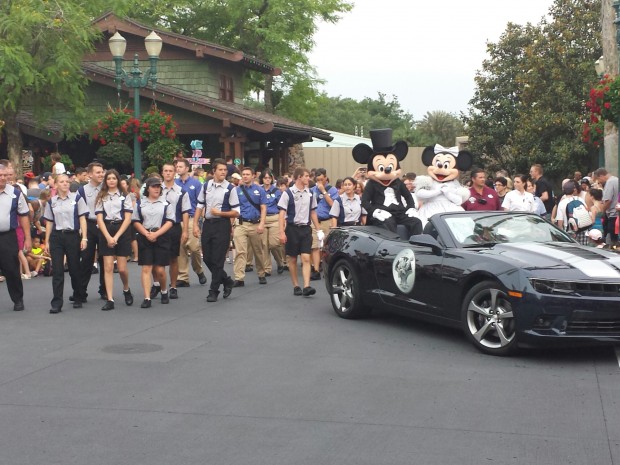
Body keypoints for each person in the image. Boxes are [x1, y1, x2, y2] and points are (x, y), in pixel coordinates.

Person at [193, 158, 240, 302]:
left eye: (225, 170)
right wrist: (195, 224)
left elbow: (236, 211)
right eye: (220, 170)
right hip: (208, 224)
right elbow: (200, 205)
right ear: (214, 171)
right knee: (207, 257)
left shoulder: (230, 188)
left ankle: (213, 291)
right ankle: (226, 280)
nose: (223, 172)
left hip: (222, 224)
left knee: (218, 259)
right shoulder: (206, 185)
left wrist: (220, 213)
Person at [43, 173, 88, 313]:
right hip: (57, 236)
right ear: (55, 185)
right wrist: (47, 241)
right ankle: (56, 302)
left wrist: (84, 237)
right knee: (57, 270)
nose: (65, 184)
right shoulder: (52, 201)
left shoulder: (77, 198)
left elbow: (82, 219)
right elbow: (49, 222)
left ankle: (78, 295)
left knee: (74, 268)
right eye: (61, 182)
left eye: (67, 182)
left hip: (72, 235)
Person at [278, 167, 322, 297]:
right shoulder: (288, 193)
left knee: (306, 257)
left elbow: (313, 212)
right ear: (299, 177)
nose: (308, 178)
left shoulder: (310, 194)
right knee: (292, 258)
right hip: (292, 228)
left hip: (305, 229)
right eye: (306, 176)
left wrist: (318, 229)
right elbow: (282, 213)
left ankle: (307, 286)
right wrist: (281, 232)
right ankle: (296, 285)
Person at [132, 177, 176, 308]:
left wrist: (157, 234)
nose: (156, 188)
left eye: (158, 186)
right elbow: (136, 220)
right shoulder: (141, 204)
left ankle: (163, 291)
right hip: (145, 236)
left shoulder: (166, 204)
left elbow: (170, 221)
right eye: (153, 186)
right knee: (146, 268)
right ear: (148, 189)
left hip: (161, 236)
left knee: (160, 269)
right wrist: (146, 233)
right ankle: (147, 297)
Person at [95, 169, 134, 311]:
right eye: (109, 178)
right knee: (108, 266)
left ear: (118, 180)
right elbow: (99, 218)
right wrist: (107, 237)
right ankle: (110, 298)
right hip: (106, 229)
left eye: (114, 178)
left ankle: (126, 288)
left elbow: (128, 218)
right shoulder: (101, 196)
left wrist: (116, 237)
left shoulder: (125, 196)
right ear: (105, 181)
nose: (111, 181)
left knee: (122, 269)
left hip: (122, 230)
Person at [0, 163, 31, 311]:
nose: (3, 178)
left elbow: (24, 216)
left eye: (5, 175)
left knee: (12, 269)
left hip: (8, 236)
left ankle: (18, 299)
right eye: (0, 176)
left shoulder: (15, 193)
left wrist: (28, 238)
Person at [159, 163, 191, 300]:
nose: (168, 173)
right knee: (157, 260)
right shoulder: (155, 189)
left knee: (173, 258)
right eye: (165, 171)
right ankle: (158, 285)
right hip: (158, 227)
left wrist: (185, 231)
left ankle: (173, 286)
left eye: (170, 171)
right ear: (162, 173)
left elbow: (185, 212)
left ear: (174, 173)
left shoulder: (181, 191)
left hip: (174, 227)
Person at [232, 167, 267, 287]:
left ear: (253, 176)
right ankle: (239, 277)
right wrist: (231, 225)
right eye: (243, 174)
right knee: (240, 251)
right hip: (241, 223)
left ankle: (261, 273)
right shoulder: (236, 190)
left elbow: (263, 207)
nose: (245, 176)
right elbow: (233, 208)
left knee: (258, 251)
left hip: (255, 224)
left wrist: (262, 223)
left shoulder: (259, 190)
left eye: (248, 174)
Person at [76, 162, 106, 303]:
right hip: (89, 224)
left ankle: (105, 290)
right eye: (98, 172)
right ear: (90, 174)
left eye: (102, 172)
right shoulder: (82, 190)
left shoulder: (107, 188)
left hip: (105, 225)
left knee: (105, 259)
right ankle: (81, 292)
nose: (101, 174)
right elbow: (79, 210)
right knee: (87, 259)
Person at [175, 159, 207, 287]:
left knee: (194, 248)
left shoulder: (196, 183)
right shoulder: (174, 184)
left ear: (187, 168)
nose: (178, 168)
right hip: (178, 219)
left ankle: (199, 270)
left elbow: (201, 203)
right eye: (177, 166)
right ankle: (183, 277)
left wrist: (200, 221)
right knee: (181, 249)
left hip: (192, 218)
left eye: (180, 166)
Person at [310, 168, 338, 280]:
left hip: (327, 220)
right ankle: (316, 270)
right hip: (315, 221)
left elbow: (333, 204)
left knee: (326, 246)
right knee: (315, 246)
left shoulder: (332, 190)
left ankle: (327, 268)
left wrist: (323, 191)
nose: (320, 182)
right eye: (318, 180)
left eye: (322, 179)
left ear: (326, 178)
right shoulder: (312, 190)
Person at [259, 169, 286, 276]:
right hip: (263, 219)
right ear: (262, 179)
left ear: (271, 179)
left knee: (274, 244)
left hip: (274, 218)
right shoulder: (259, 190)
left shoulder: (276, 191)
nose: (267, 180)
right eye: (265, 178)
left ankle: (280, 262)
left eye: (269, 178)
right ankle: (267, 268)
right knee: (264, 245)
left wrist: (283, 221)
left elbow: (282, 207)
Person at [556, 181, 589, 245]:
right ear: (574, 190)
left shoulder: (562, 203)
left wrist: (561, 233)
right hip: (583, 229)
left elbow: (560, 221)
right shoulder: (580, 199)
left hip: (569, 231)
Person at [592, 168, 619, 247]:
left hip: (612, 214)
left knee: (612, 238)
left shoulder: (609, 182)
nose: (599, 182)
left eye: (598, 179)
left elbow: (608, 200)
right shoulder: (616, 179)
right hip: (617, 213)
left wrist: (603, 210)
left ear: (601, 176)